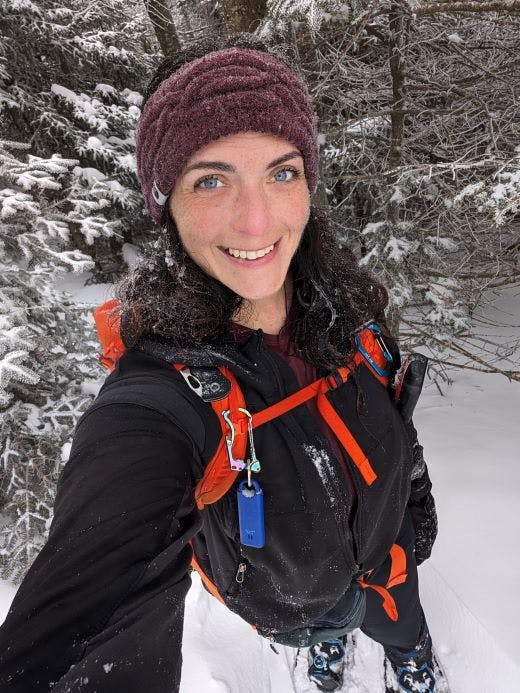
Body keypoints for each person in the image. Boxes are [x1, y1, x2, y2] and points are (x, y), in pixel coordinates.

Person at [0, 35, 438, 693]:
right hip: (288, 600)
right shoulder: (164, 398)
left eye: (282, 172)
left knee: (399, 622)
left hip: (388, 559)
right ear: (165, 204)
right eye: (210, 179)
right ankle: (326, 646)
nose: (257, 219)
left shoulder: (349, 312)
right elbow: (87, 616)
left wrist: (415, 509)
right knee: (324, 625)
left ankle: (409, 657)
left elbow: (395, 421)